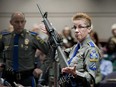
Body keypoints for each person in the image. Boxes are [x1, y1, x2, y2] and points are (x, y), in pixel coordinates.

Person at [0, 11, 52, 87]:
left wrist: (42, 68)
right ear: (11, 22)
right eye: (17, 22)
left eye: (22, 22)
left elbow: (50, 51)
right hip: (8, 78)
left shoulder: (32, 37)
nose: (20, 25)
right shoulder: (5, 38)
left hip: (27, 78)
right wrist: (1, 62)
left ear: (25, 22)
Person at [59, 13, 101, 87]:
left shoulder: (92, 50)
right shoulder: (76, 47)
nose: (76, 30)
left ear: (89, 29)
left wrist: (75, 73)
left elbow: (91, 79)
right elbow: (59, 55)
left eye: (80, 27)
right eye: (75, 27)